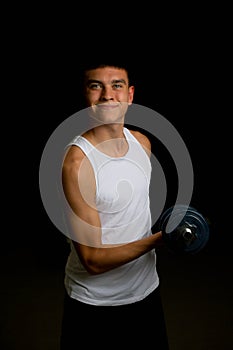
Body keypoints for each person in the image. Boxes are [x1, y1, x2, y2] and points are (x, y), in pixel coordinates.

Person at [59, 63, 170, 349]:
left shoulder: (142, 143)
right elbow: (92, 260)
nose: (108, 95)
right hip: (95, 306)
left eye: (117, 85)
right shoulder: (78, 164)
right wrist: (160, 240)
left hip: (146, 294)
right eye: (96, 85)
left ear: (130, 95)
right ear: (85, 95)